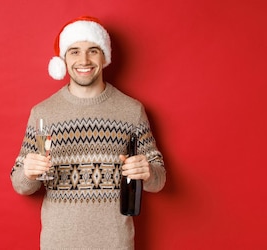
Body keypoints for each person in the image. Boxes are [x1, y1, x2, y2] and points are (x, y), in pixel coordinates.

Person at [10, 16, 166, 250]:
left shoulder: (131, 111)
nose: (84, 60)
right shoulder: (43, 113)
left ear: (104, 56)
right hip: (58, 244)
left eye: (93, 50)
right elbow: (21, 185)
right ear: (63, 58)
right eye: (74, 51)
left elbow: (159, 180)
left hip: (115, 243)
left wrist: (149, 171)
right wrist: (28, 173)